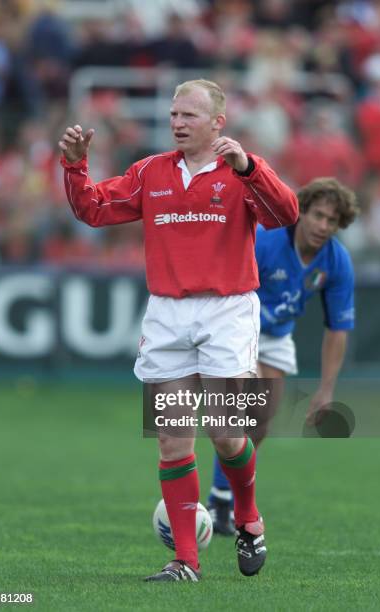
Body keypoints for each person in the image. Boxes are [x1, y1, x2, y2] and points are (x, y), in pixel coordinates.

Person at [59, 79, 298, 581]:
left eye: (189, 115)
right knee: (172, 439)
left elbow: (285, 214)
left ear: (217, 123)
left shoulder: (241, 170)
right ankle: (185, 562)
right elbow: (93, 209)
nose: (177, 123)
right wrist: (76, 166)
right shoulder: (151, 172)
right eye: (173, 114)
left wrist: (250, 170)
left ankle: (249, 518)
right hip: (167, 314)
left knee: (227, 433)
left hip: (228, 310)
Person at [208, 176, 358, 536]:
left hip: (276, 336)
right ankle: (220, 501)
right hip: (237, 324)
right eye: (317, 215)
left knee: (260, 423)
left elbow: (337, 329)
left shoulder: (337, 262)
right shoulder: (266, 238)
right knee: (243, 403)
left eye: (331, 221)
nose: (323, 226)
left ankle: (221, 496)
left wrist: (325, 390)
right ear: (301, 211)